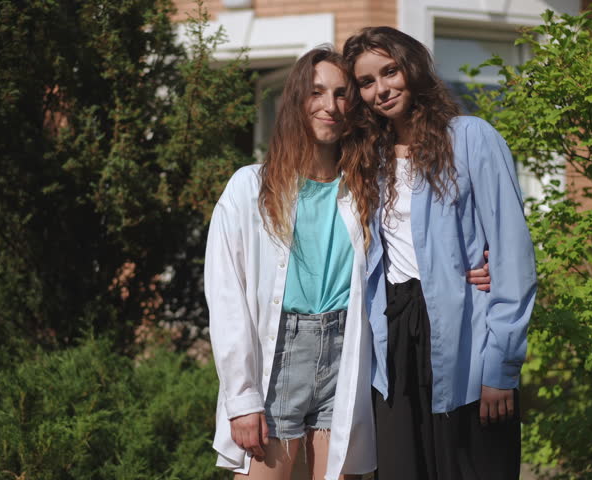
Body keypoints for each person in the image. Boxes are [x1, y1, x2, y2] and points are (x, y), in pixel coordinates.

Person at [204, 46, 493, 480]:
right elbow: (226, 296)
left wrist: (474, 268)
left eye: (342, 94)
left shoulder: (365, 188)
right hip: (279, 359)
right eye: (317, 92)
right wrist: (241, 398)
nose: (330, 105)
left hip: (347, 358)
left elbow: (414, 244)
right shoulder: (250, 188)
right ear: (297, 101)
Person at [342, 27, 538, 480]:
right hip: (392, 341)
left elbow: (512, 254)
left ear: (412, 67)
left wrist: (501, 367)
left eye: (389, 71)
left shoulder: (471, 138)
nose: (381, 89)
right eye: (367, 82)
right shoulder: (368, 157)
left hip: (466, 337)